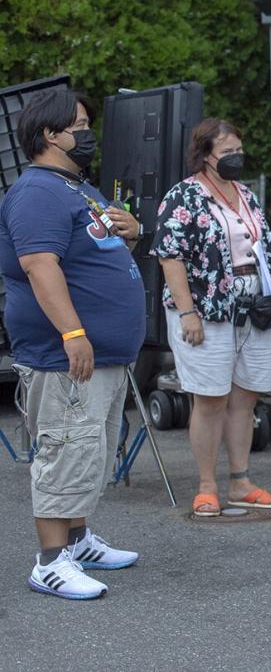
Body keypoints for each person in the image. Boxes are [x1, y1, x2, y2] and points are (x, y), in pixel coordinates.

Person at [0, 89, 145, 600]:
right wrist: (74, 332)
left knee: (91, 449)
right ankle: (49, 561)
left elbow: (101, 248)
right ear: (49, 135)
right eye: (79, 125)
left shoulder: (78, 187)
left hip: (101, 354)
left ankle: (78, 540)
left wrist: (132, 232)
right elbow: (41, 266)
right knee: (65, 450)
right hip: (66, 354)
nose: (88, 134)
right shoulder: (37, 191)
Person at [153, 118, 271, 518]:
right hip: (206, 308)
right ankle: (206, 486)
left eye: (239, 150)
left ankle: (241, 481)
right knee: (210, 399)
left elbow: (266, 250)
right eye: (227, 153)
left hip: (255, 306)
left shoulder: (246, 194)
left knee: (245, 398)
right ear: (205, 156)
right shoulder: (183, 197)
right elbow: (170, 257)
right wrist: (187, 313)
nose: (236, 158)